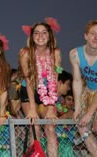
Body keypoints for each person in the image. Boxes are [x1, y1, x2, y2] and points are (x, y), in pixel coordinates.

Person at [69, 19, 97, 157]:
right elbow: (77, 81)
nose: (96, 37)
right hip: (88, 91)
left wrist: (89, 114)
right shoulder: (75, 54)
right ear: (85, 35)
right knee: (81, 127)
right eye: (93, 33)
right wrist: (77, 107)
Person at [19, 17, 62, 157]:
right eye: (36, 33)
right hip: (29, 91)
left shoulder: (56, 53)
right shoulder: (25, 53)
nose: (40, 36)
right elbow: (29, 81)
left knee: (50, 127)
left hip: (49, 94)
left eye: (44, 32)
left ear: (49, 36)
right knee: (35, 127)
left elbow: (54, 81)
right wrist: (32, 108)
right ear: (32, 37)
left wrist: (50, 107)